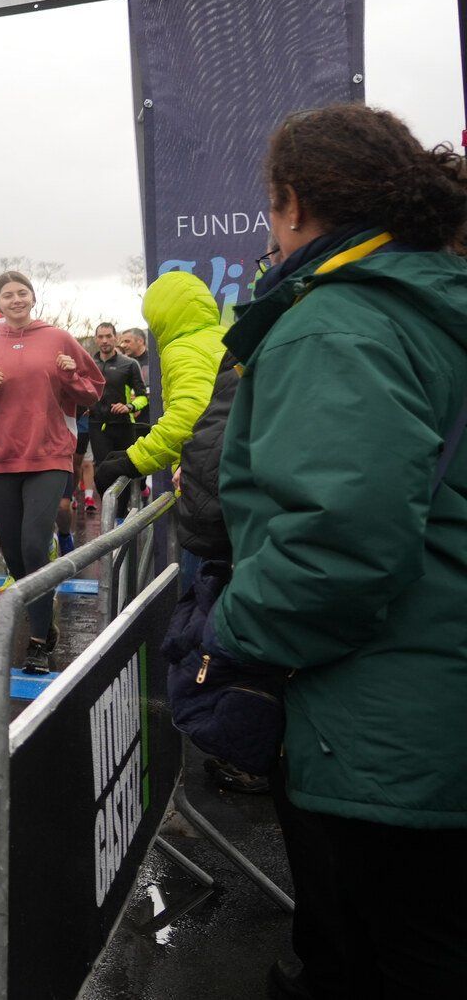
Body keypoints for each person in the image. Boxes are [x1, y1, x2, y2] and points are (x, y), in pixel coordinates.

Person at [209, 104, 467, 999]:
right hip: (427, 696)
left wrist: (225, 634)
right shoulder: (432, 292)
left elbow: (339, 546)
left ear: (291, 204)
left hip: (390, 720)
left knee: (395, 953)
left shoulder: (341, 321)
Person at [0, 271, 103, 673]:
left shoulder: (59, 339)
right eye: (7, 294)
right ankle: (44, 617)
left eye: (21, 292)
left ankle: (40, 639)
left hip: (49, 454)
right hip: (0, 458)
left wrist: (70, 375)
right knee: (14, 554)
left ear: (32, 297)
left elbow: (92, 392)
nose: (16, 299)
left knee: (33, 544)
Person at [92, 273, 223, 508]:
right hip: (226, 468)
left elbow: (188, 416)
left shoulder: (183, 348)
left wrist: (132, 461)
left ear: (160, 315)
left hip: (211, 476)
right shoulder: (224, 337)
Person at [84, 321, 148, 512]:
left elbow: (143, 397)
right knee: (102, 472)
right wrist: (83, 405)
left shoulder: (129, 364)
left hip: (124, 425)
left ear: (115, 338)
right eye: (100, 337)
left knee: (124, 470)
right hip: (97, 426)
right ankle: (110, 514)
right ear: (96, 339)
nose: (104, 341)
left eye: (108, 336)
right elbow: (80, 391)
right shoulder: (89, 364)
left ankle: (121, 514)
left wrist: (129, 406)